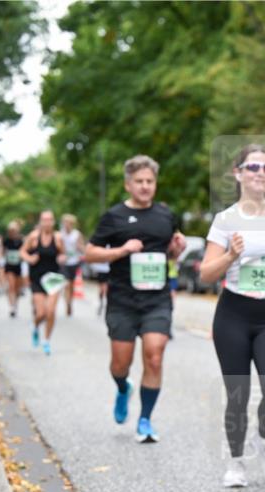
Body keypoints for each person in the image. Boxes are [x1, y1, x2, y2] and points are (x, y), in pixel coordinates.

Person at [200, 145, 265, 487]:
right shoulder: (225, 220)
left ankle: (264, 438)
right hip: (234, 314)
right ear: (238, 172)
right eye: (254, 166)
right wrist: (230, 255)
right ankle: (236, 463)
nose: (261, 172)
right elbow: (206, 274)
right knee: (238, 394)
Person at [83, 155, 186, 444]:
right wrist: (121, 250)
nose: (145, 186)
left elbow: (171, 251)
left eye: (149, 181)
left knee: (154, 355)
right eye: (139, 181)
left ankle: (145, 419)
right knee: (120, 364)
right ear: (128, 185)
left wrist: (178, 248)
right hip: (123, 300)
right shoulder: (113, 217)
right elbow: (90, 253)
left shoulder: (166, 215)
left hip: (157, 298)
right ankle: (122, 387)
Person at [21, 210, 66, 355]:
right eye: (44, 220)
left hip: (53, 279)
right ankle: (35, 327)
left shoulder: (58, 237)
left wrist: (62, 258)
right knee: (41, 313)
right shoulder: (34, 237)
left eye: (50, 220)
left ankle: (46, 340)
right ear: (40, 222)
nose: (47, 223)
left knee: (51, 312)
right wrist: (29, 259)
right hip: (37, 279)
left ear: (53, 222)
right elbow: (22, 252)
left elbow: (63, 254)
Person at [60, 214, 85, 316]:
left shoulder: (77, 234)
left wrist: (80, 247)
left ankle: (70, 302)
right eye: (65, 222)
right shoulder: (60, 234)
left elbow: (82, 247)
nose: (66, 225)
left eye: (68, 223)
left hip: (74, 261)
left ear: (72, 224)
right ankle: (67, 304)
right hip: (65, 262)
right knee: (67, 284)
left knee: (72, 284)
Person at [2, 221, 24, 318]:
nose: (12, 232)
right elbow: (2, 251)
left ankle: (16, 304)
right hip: (9, 265)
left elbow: (24, 252)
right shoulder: (6, 241)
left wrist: (21, 257)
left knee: (17, 288)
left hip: (18, 266)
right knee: (11, 285)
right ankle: (11, 306)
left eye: (14, 230)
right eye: (11, 231)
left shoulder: (21, 241)